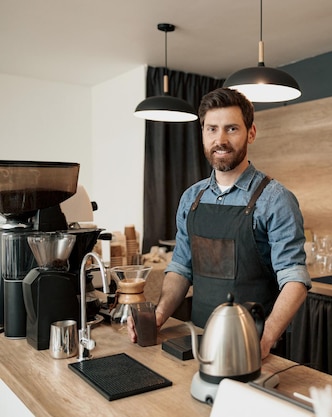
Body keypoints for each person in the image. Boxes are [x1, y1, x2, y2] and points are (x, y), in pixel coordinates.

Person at [128, 87, 311, 358]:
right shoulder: (191, 198)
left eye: (231, 129)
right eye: (211, 129)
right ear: (202, 133)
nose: (220, 139)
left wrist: (265, 338)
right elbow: (181, 268)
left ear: (251, 133)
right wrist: (159, 315)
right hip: (200, 339)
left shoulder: (276, 199)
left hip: (254, 346)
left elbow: (294, 279)